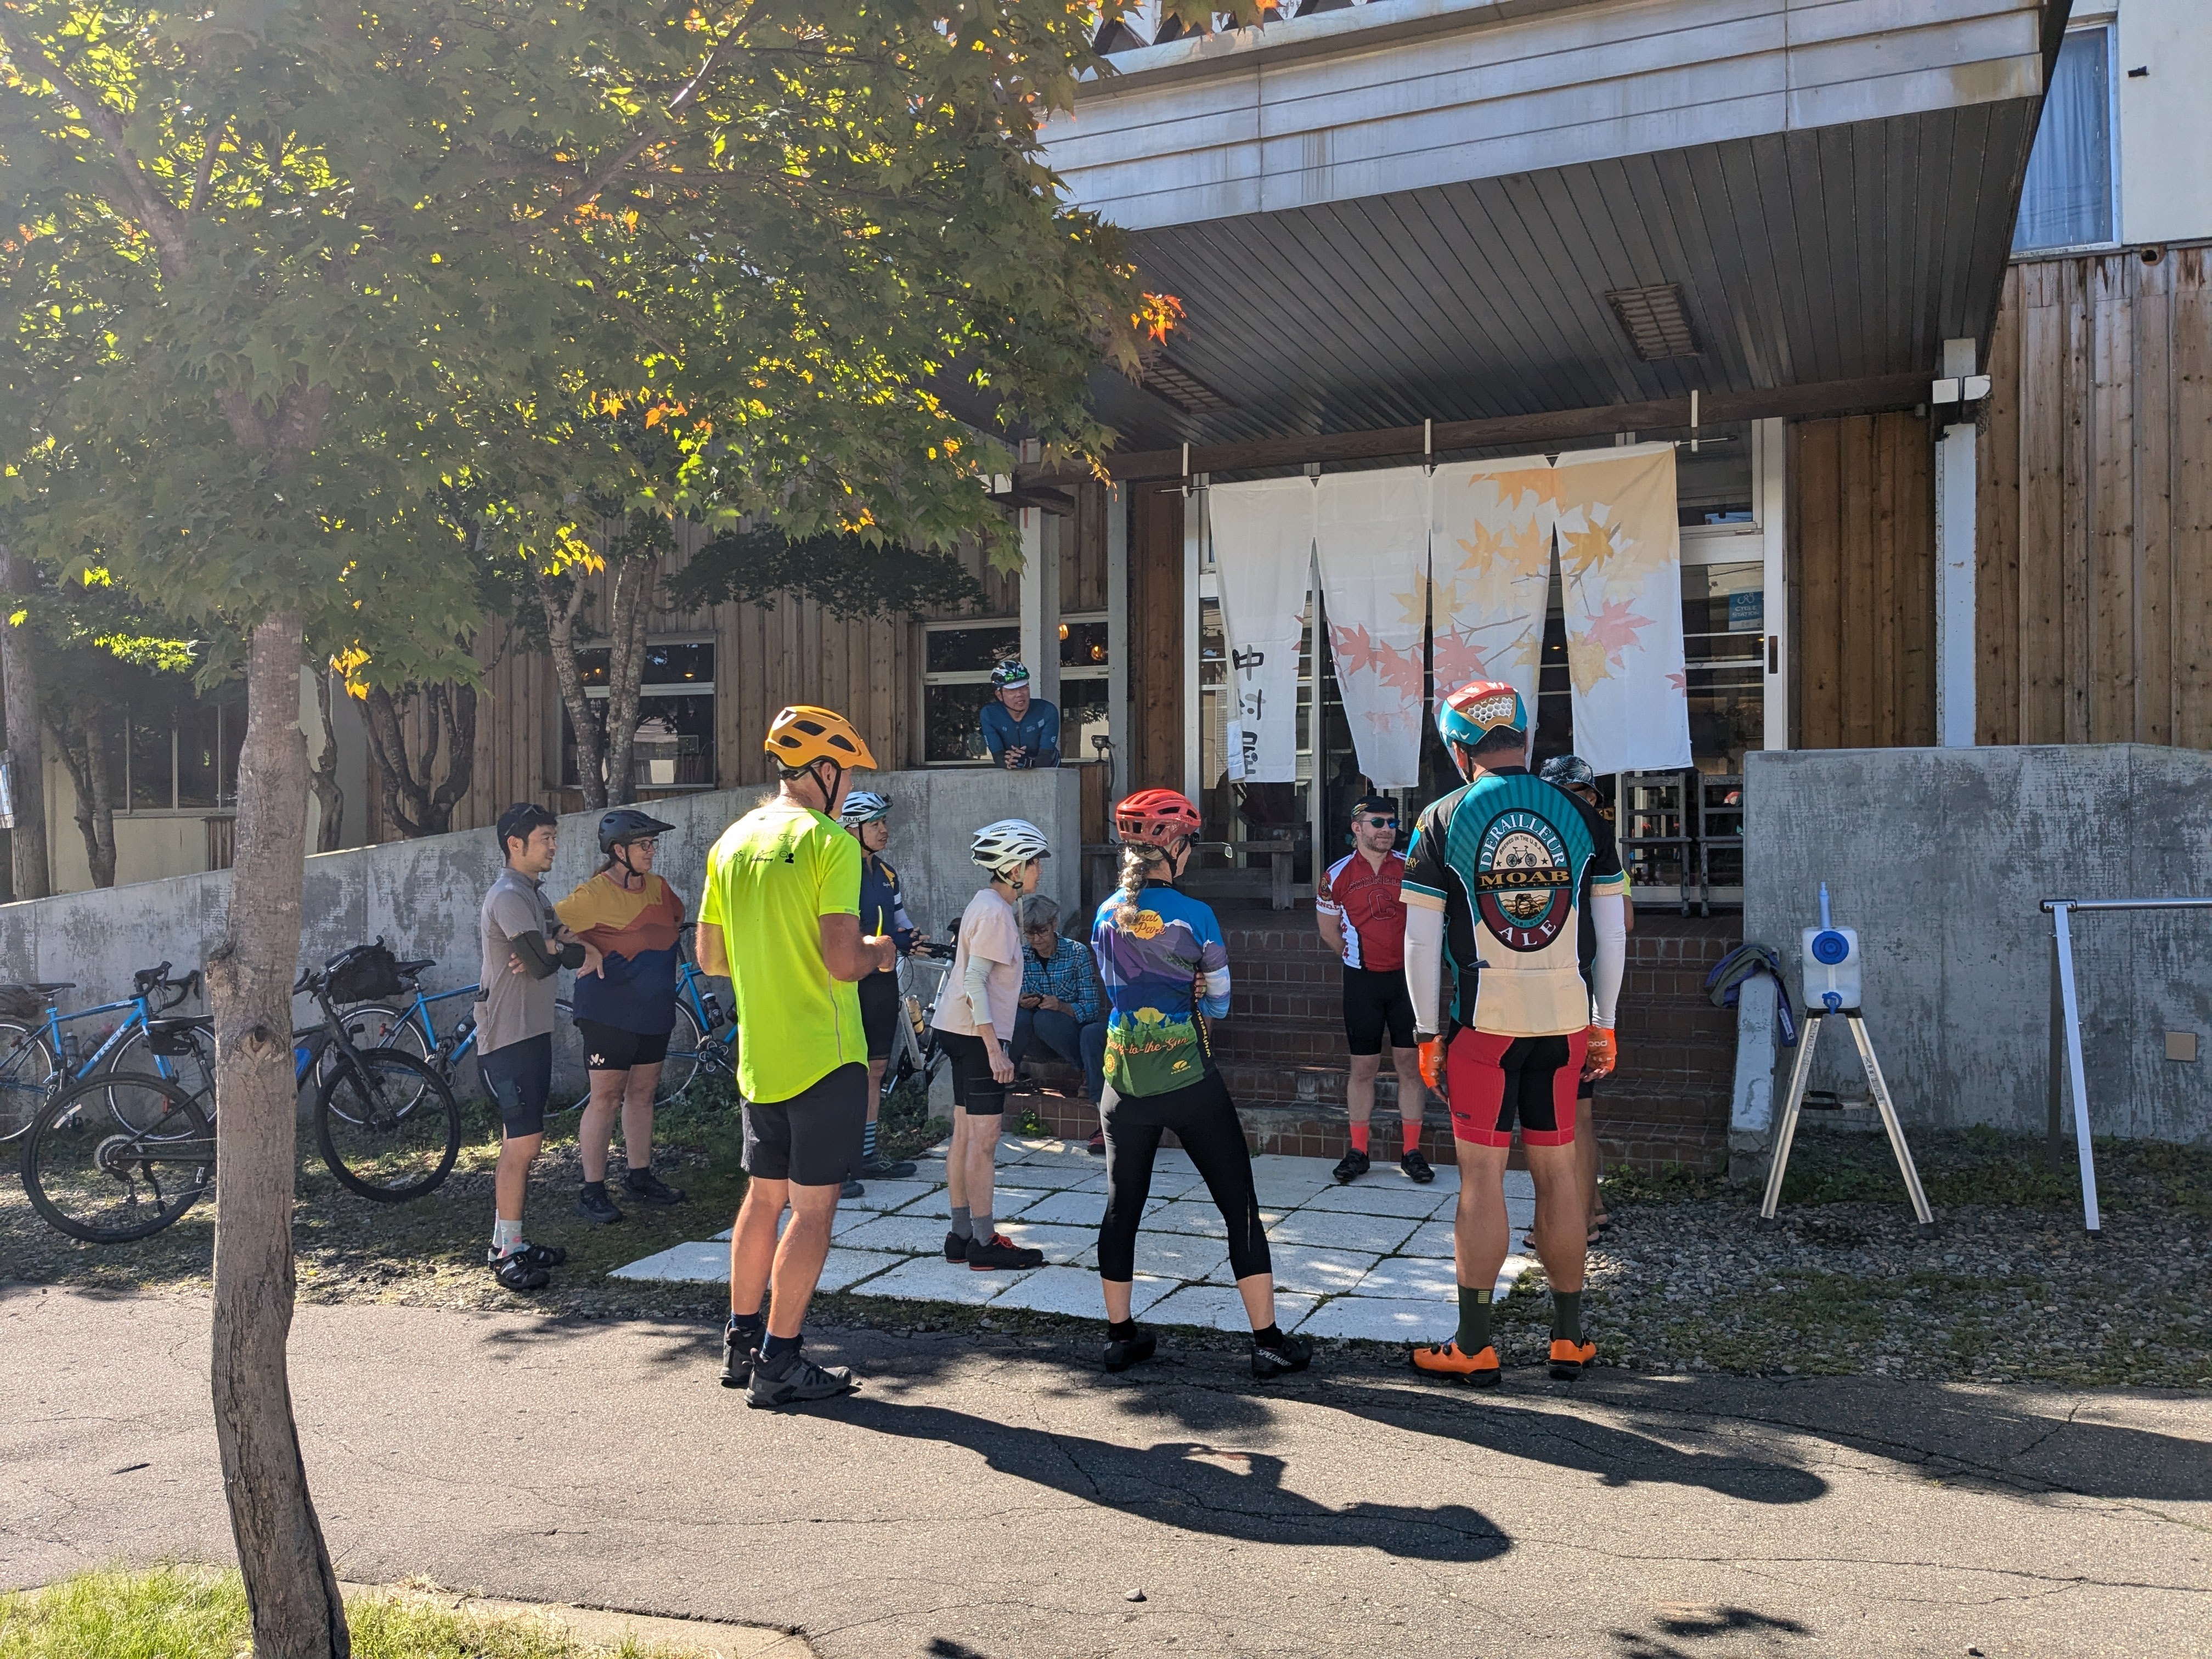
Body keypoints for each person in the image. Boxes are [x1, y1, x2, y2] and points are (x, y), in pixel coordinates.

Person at [1403, 682, 1627, 1389]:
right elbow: (1614, 930)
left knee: (1483, 1178)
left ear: (1457, 748)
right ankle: (1569, 1341)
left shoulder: (1442, 817)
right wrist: (1607, 1022)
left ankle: (1475, 1344)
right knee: (1559, 1174)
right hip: (1565, 1024)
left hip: (1484, 1026)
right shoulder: (1582, 815)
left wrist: (1425, 1031)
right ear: (1524, 738)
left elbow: (1419, 939)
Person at [698, 705, 897, 1408]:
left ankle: (740, 1340)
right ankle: (780, 1363)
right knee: (812, 1214)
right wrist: (881, 952)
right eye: (847, 773)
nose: (849, 786)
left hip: (762, 1056)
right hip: (826, 1054)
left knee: (762, 1200)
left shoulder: (731, 841)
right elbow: (843, 962)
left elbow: (711, 957)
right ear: (824, 770)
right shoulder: (830, 843)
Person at [1091, 788, 1313, 1380]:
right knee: (1238, 1204)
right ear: (1170, 847)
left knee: (1122, 1208)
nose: (1190, 852)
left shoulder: (1103, 914)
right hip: (1188, 1076)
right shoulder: (1198, 917)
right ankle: (1266, 1341)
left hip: (1123, 1080)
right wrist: (1192, 990)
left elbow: (1112, 987)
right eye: (1187, 841)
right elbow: (1220, 1001)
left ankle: (1120, 1336)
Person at [477, 802, 597, 1292]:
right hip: (508, 1036)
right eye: (546, 837)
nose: (554, 845)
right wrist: (550, 950)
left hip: (532, 1030)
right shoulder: (508, 895)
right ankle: (506, 1252)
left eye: (554, 835)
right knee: (521, 1143)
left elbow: (569, 949)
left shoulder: (535, 896)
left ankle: (511, 1241)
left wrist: (553, 948)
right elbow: (547, 960)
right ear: (515, 844)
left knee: (527, 1140)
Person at [555, 809, 690, 1226]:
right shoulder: (593, 894)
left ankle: (639, 1176)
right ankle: (592, 1190)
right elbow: (551, 928)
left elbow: (676, 921)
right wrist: (587, 949)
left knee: (644, 1092)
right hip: (608, 1011)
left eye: (653, 844)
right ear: (618, 851)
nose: (652, 852)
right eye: (643, 845)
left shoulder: (660, 888)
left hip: (653, 1007)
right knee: (607, 1097)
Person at [932, 820, 1052, 1272]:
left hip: (958, 1029)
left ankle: (960, 1235)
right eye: (1033, 862)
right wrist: (995, 1049)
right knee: (985, 1139)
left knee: (964, 1134)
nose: (1038, 870)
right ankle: (983, 1242)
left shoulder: (988, 906)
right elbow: (974, 982)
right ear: (1013, 868)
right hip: (973, 1033)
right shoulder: (996, 913)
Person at [1539, 753, 1637, 1243]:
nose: (1569, 806)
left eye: (1579, 797)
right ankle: (1591, 1206)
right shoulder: (1576, 840)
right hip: (1572, 989)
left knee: (1569, 1114)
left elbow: (1623, 922)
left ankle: (1572, 1223)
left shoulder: (1595, 844)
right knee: (1577, 1112)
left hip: (1578, 992)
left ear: (1593, 799)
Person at [1316, 793, 1431, 1186]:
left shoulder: (1412, 868)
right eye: (1377, 823)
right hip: (1363, 981)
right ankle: (1359, 1151)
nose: (1387, 830)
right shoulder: (1337, 874)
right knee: (1363, 1067)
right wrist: (1355, 956)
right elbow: (1328, 931)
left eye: (1392, 823)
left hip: (1408, 981)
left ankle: (1412, 1152)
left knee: (1409, 1067)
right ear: (1357, 828)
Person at [839, 788, 920, 1189]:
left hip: (884, 978)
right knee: (845, 1072)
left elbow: (900, 921)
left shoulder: (887, 873)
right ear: (851, 828)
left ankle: (867, 1154)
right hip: (850, 979)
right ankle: (841, 1160)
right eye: (875, 823)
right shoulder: (838, 871)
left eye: (884, 822)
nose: (884, 830)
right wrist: (891, 940)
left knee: (875, 1069)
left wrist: (910, 936)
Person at [1008, 891, 1108, 1144]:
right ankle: (1010, 1072)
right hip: (1035, 1037)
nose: (1036, 940)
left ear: (1053, 925)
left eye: (1040, 932)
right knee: (1020, 1016)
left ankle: (1087, 1077)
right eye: (1029, 934)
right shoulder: (1022, 955)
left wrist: (1063, 1007)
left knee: (1052, 1020)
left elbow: (1091, 1008)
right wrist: (1020, 1001)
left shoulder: (1077, 953)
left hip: (1068, 1033)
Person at [978, 661, 1060, 769]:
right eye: (1012, 690)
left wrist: (1026, 763)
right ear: (999, 695)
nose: (1020, 694)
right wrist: (1010, 761)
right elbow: (998, 757)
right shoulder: (989, 714)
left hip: (1050, 771)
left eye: (1024, 687)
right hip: (1010, 775)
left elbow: (1045, 757)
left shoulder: (1047, 711)